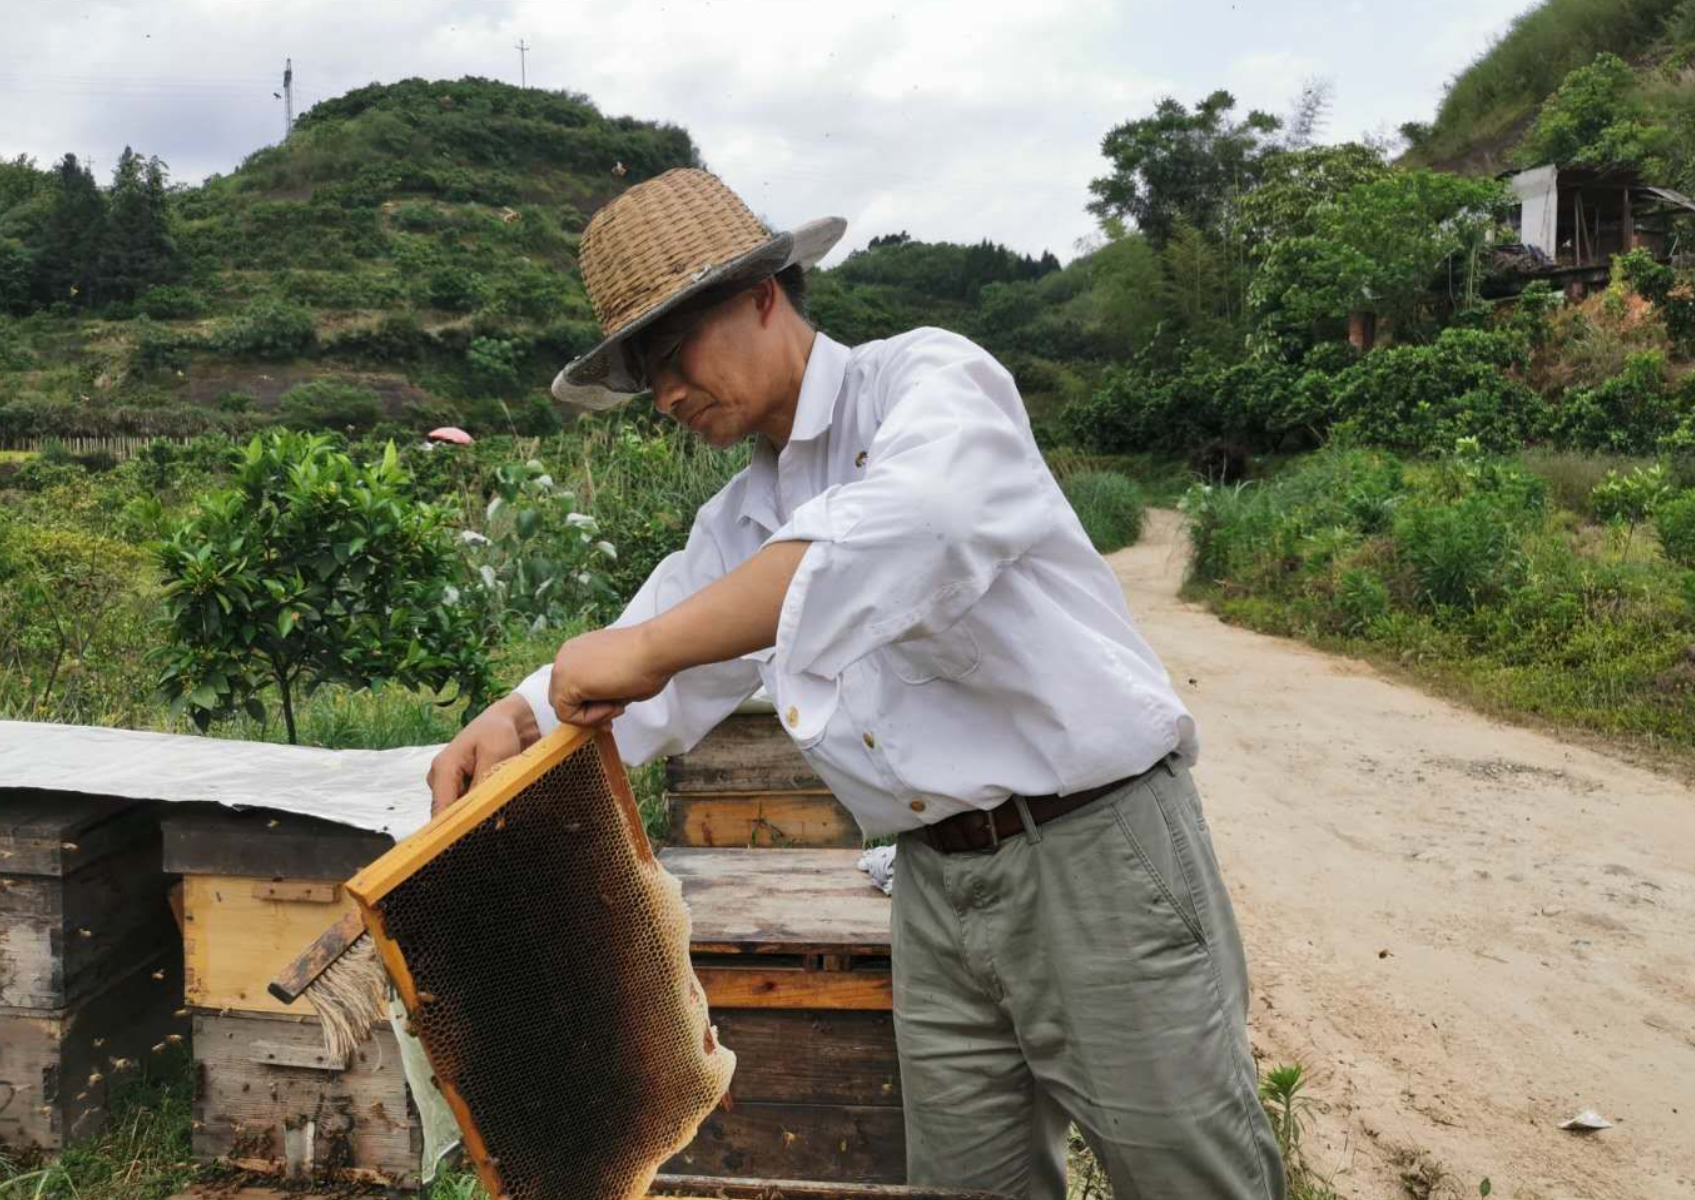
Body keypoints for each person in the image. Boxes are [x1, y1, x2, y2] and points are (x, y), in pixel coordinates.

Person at [427, 167, 1285, 1200]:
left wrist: (651, 650)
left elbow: (912, 527)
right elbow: (652, 642)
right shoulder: (746, 512)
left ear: (761, 293)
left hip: (1095, 855)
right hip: (932, 884)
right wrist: (518, 715)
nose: (665, 395)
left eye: (671, 352)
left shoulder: (929, 380)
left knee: (1191, 1178)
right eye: (643, 375)